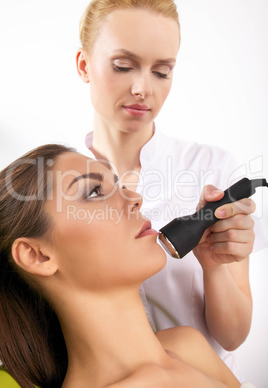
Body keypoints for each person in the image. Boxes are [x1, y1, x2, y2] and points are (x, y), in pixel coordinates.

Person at [75, 0, 266, 378]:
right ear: (83, 66)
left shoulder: (211, 169)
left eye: (162, 71)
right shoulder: (60, 188)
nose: (144, 89)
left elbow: (232, 337)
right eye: (123, 66)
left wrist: (214, 265)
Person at [0, 144, 256, 387]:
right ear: (37, 256)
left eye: (119, 184)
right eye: (94, 192)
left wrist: (213, 264)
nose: (135, 198)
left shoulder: (187, 346)